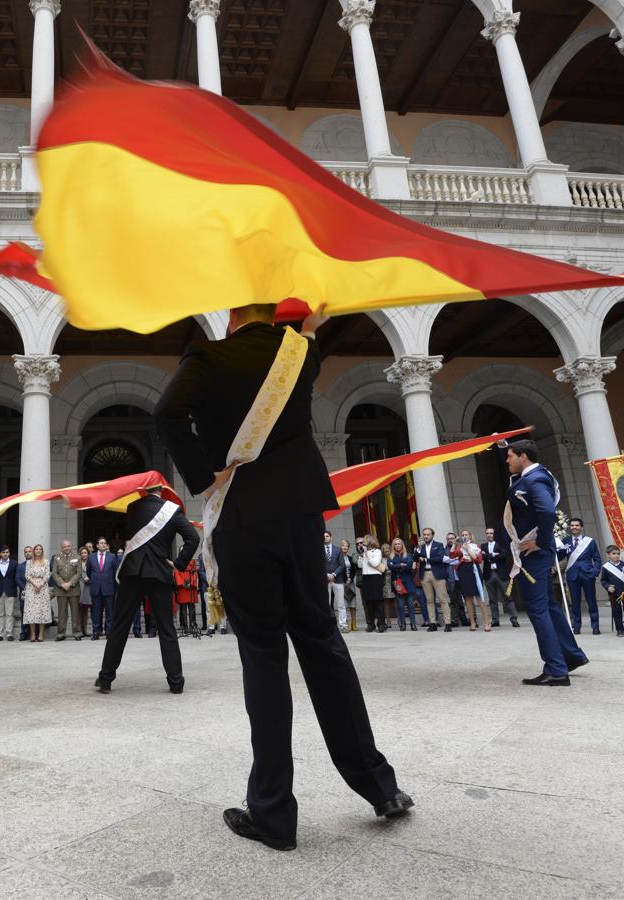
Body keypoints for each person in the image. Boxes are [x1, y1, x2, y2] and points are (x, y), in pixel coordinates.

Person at [155, 300, 411, 851]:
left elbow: (167, 414)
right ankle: (380, 786)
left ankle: (273, 814)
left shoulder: (210, 354)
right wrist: (307, 324)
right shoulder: (299, 352)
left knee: (265, 659)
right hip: (298, 515)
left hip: (243, 518)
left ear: (231, 316)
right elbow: (308, 335)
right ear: (276, 313)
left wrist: (205, 474)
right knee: (323, 643)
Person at [497, 440, 587, 686]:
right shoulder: (529, 474)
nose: (507, 460)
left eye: (510, 456)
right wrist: (501, 445)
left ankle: (556, 670)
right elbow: (516, 484)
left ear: (523, 456)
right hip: (534, 555)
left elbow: (547, 512)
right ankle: (571, 656)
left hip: (535, 555)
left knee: (538, 610)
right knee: (548, 606)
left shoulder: (535, 479)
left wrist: (542, 542)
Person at [95, 486, 200, 692]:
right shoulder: (172, 510)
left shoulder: (133, 507)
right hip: (159, 573)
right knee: (167, 628)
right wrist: (178, 564)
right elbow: (193, 538)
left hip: (133, 571)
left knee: (120, 626)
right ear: (162, 490)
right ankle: (176, 682)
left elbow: (126, 534)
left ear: (144, 490)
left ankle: (106, 678)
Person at [559, 518, 602, 635]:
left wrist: (594, 572)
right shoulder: (565, 541)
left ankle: (595, 626)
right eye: (572, 525)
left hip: (587, 574)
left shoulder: (590, 541)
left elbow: (597, 559)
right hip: (572, 575)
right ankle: (576, 626)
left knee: (591, 601)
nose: (574, 527)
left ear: (581, 527)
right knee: (575, 602)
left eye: (577, 525)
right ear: (569, 527)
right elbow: (560, 557)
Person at [413, 528, 452, 632]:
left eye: (428, 534)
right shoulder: (421, 547)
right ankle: (432, 623)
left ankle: (448, 623)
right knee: (429, 600)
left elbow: (440, 558)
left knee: (443, 599)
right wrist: (417, 550)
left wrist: (426, 559)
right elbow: (415, 558)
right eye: (424, 535)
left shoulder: (438, 545)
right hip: (425, 574)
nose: (426, 536)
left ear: (432, 535)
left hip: (437, 574)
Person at [451, 530, 488, 632]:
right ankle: (472, 622)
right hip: (464, 572)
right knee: (467, 598)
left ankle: (486, 623)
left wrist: (468, 549)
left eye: (466, 535)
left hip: (474, 570)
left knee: (480, 597)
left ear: (470, 537)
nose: (464, 536)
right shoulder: (459, 548)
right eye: (462, 535)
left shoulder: (476, 546)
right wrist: (454, 543)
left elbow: (478, 560)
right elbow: (452, 555)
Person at [600, 545, 624, 637]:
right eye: (613, 554)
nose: (616, 555)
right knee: (617, 612)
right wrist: (607, 587)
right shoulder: (606, 567)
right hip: (613, 593)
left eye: (618, 553)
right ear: (608, 555)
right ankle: (620, 630)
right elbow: (603, 580)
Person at [85, 537, 120, 640]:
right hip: (96, 588)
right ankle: (96, 632)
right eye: (101, 543)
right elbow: (88, 572)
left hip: (109, 588)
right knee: (96, 612)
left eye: (105, 543)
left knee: (109, 612)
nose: (103, 544)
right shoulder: (91, 557)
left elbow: (116, 572)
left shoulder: (113, 557)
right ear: (97, 545)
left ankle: (108, 632)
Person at [482, 526, 517, 627]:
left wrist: (489, 555)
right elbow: (482, 556)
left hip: (501, 574)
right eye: (487, 533)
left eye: (491, 533)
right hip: (489, 574)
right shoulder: (483, 546)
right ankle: (495, 620)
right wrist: (493, 555)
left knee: (507, 596)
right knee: (492, 599)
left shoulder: (501, 544)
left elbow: (504, 555)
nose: (489, 535)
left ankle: (514, 618)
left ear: (495, 534)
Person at [50, 540, 84, 641]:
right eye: (64, 547)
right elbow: (54, 573)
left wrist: (70, 583)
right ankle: (61, 634)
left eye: (68, 546)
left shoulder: (77, 557)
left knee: (75, 612)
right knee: (62, 613)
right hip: (61, 590)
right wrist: (62, 584)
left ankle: (77, 633)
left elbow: (79, 573)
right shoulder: (56, 557)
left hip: (73, 589)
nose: (66, 548)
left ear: (71, 547)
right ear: (61, 547)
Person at [387, 538, 419, 631]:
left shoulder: (408, 555)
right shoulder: (391, 556)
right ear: (393, 546)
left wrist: (397, 566)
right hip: (398, 583)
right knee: (400, 605)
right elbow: (390, 566)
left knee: (410, 605)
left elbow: (409, 565)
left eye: (399, 544)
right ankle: (403, 624)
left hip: (408, 582)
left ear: (402, 545)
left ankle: (413, 624)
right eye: (395, 544)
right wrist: (401, 565)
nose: (397, 546)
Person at [21, 544, 51, 642]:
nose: (38, 550)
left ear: (42, 551)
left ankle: (41, 633)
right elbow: (27, 575)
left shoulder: (46, 562)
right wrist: (35, 584)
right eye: (36, 549)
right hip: (31, 588)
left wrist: (41, 584)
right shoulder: (29, 562)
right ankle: (33, 634)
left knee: (42, 610)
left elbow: (47, 575)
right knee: (31, 611)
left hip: (43, 588)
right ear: (34, 551)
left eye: (40, 549)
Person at [357, 535, 387, 633]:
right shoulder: (365, 553)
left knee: (378, 602)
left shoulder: (377, 551)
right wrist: (362, 556)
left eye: (364, 541)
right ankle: (371, 624)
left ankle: (382, 624)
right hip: (366, 578)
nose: (362, 544)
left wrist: (367, 554)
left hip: (375, 577)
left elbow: (375, 563)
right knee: (369, 603)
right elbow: (360, 565)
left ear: (370, 542)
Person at [323, 531, 348, 632]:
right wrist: (326, 575)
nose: (325, 538)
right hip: (325, 580)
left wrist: (333, 574)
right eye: (323, 536)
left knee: (341, 604)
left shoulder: (338, 550)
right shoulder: (318, 550)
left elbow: (342, 565)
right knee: (326, 604)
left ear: (331, 537)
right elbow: (317, 564)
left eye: (327, 536)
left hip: (337, 580)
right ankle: (328, 626)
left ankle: (343, 625)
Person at [0, 547, 18, 641]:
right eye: (3, 552)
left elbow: (16, 577)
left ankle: (9, 633)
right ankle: (0, 634)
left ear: (9, 553)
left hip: (10, 591)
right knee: (0, 613)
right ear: (0, 554)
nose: (5, 554)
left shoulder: (14, 564)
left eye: (7, 552)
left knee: (10, 613)